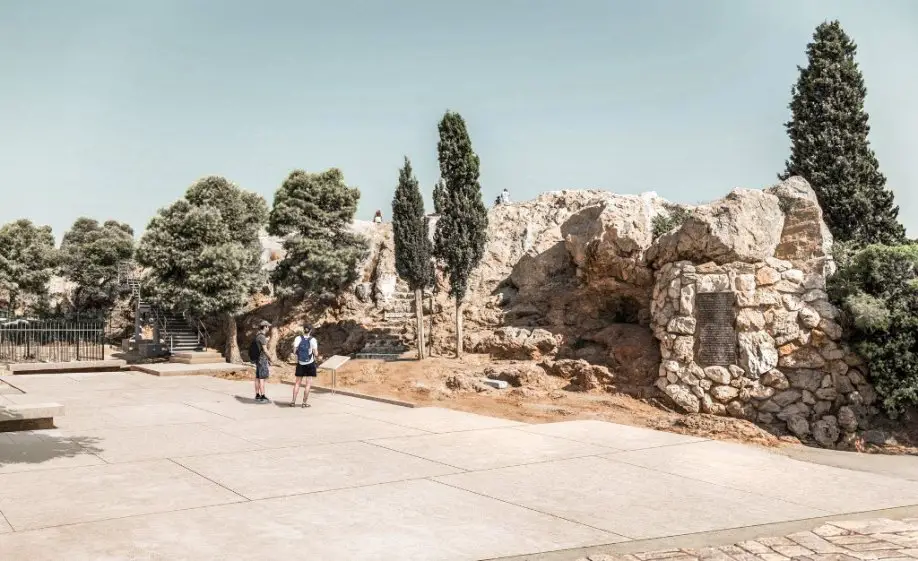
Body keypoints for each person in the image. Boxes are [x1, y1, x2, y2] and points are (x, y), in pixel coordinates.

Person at [290, 324, 319, 407]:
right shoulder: (313, 340)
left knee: (297, 383)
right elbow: (316, 354)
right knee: (308, 384)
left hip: (300, 363)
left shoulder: (298, 338)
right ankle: (304, 403)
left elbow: (294, 351)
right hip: (310, 363)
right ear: (310, 330)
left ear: (303, 330)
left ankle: (293, 402)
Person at [249, 320, 273, 403]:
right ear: (265, 327)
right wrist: (270, 358)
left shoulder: (258, 335)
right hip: (262, 359)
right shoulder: (262, 337)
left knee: (257, 377)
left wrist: (266, 340)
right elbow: (265, 350)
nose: (269, 328)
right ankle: (263, 396)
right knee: (262, 378)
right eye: (268, 326)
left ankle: (257, 395)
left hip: (257, 359)